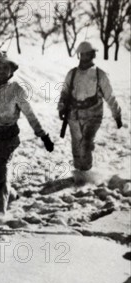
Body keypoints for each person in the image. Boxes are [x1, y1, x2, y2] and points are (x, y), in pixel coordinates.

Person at [0, 51, 54, 216]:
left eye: (5, 67)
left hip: (7, 138)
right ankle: (11, 195)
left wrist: (43, 135)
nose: (2, 70)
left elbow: (29, 114)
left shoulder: (17, 89)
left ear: (11, 70)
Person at [57, 41, 123, 183]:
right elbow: (65, 92)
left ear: (93, 55)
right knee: (76, 144)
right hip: (74, 115)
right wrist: (61, 107)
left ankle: (86, 176)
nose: (85, 57)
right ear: (79, 55)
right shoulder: (72, 73)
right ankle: (78, 174)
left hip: (93, 114)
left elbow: (109, 96)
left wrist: (116, 114)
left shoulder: (100, 75)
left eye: (89, 54)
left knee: (86, 143)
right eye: (83, 54)